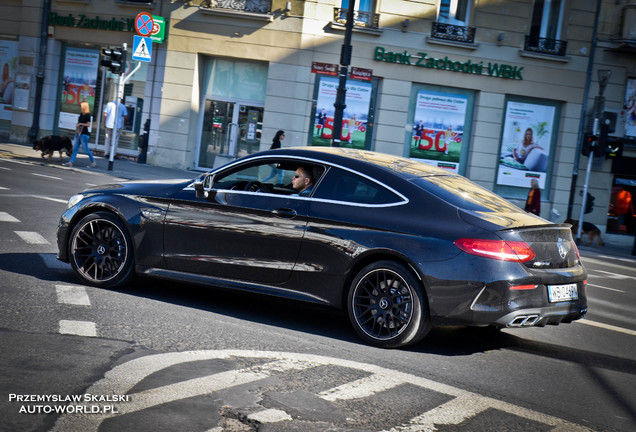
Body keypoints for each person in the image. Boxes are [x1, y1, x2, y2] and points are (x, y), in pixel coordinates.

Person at [63, 101, 96, 168]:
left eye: (81, 106)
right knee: (75, 148)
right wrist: (77, 125)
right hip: (78, 133)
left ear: (84, 107)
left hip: (84, 134)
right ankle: (71, 162)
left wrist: (81, 124)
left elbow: (88, 124)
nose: (80, 107)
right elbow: (79, 122)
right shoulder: (81, 114)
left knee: (85, 149)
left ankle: (93, 162)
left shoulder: (88, 115)